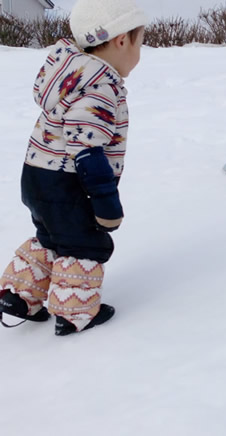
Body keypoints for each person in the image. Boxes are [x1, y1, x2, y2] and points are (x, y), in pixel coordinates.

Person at [0, 0, 147, 335]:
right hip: (69, 181)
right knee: (83, 242)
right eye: (140, 42)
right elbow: (88, 152)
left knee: (51, 236)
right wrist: (106, 202)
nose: (140, 53)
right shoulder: (98, 86)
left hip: (37, 176)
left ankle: (19, 295)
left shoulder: (70, 74)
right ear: (121, 40)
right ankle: (74, 311)